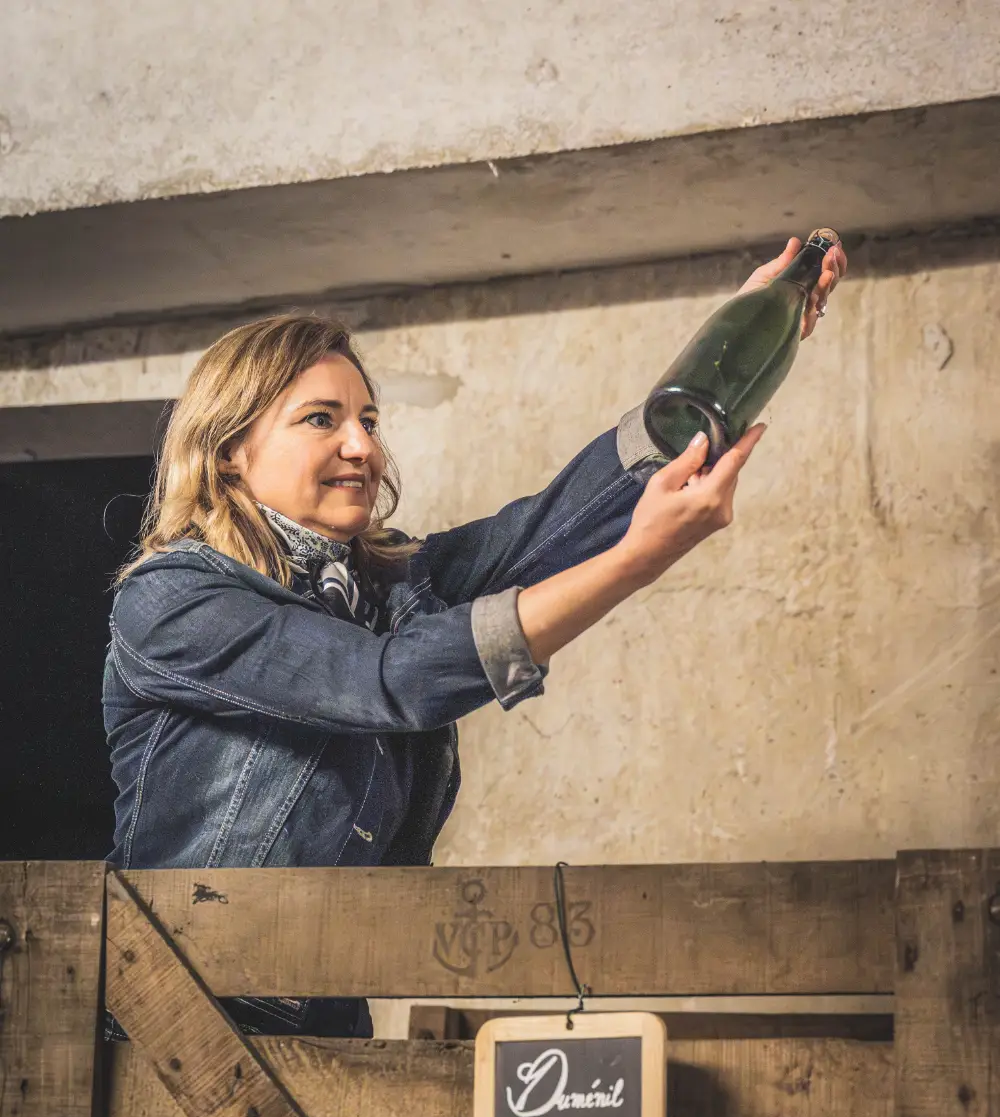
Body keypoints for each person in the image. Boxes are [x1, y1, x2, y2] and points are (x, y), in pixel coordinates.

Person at [104, 235, 846, 1043]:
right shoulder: (171, 601)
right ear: (227, 454)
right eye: (322, 419)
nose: (363, 446)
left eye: (368, 420)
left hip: (324, 1030)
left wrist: (732, 348)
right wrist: (637, 562)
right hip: (175, 1034)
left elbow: (548, 527)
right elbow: (388, 682)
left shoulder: (386, 586)